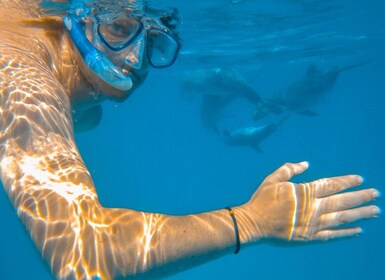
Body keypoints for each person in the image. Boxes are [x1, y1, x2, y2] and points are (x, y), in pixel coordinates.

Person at [0, 1, 380, 279]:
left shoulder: (72, 100)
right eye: (118, 29)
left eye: (152, 43)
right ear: (72, 18)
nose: (133, 59)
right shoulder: (21, 77)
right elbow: (83, 252)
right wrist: (251, 222)